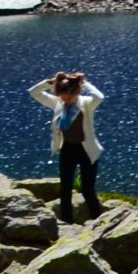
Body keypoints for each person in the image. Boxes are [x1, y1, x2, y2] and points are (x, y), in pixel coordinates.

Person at [28, 71, 106, 224]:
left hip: (87, 150)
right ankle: (67, 222)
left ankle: (99, 220)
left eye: (69, 98)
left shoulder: (86, 104)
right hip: (67, 149)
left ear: (76, 93)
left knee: (87, 189)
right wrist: (50, 82)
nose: (66, 101)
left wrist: (84, 83)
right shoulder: (58, 103)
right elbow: (34, 92)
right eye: (63, 98)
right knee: (65, 188)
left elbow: (100, 97)